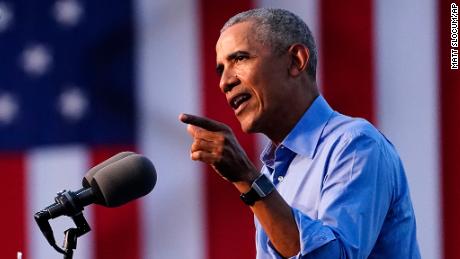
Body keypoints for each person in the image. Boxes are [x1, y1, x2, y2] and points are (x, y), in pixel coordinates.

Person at [179, 8, 421, 259]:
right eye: (221, 69)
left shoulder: (356, 144)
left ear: (296, 60)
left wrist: (248, 181)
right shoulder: (270, 174)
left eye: (240, 58)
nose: (224, 82)